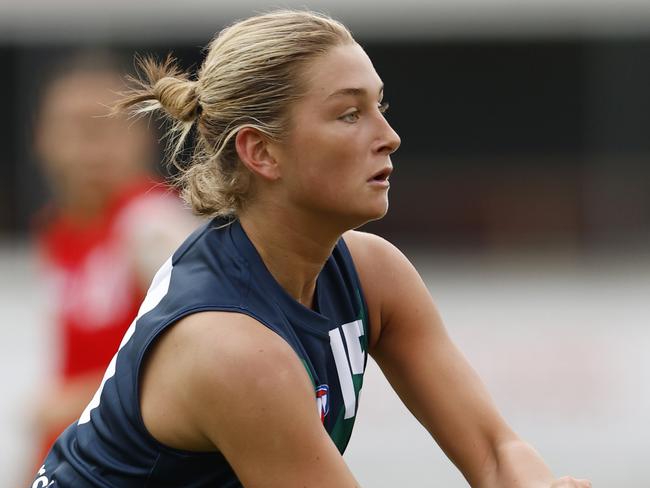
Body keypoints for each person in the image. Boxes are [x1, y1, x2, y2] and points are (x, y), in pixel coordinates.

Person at [32, 11, 591, 488]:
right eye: (350, 114)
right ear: (261, 152)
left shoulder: (375, 275)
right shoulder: (233, 349)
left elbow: (495, 453)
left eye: (380, 106)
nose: (389, 136)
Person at [29, 52, 198, 472]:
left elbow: (200, 359)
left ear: (141, 135)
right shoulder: (57, 229)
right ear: (42, 139)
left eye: (108, 125)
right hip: (74, 460)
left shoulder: (152, 223)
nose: (92, 144)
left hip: (133, 466)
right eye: (77, 126)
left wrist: (80, 395)